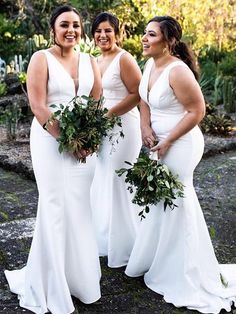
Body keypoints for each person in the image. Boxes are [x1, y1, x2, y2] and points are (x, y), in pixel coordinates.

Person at [125, 16, 236, 313]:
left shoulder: (178, 71)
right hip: (156, 140)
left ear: (169, 41)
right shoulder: (150, 64)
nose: (144, 39)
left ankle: (185, 270)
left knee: (177, 198)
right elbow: (143, 100)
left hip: (181, 143)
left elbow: (197, 110)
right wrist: (144, 128)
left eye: (151, 34)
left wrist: (169, 139)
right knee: (161, 201)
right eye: (144, 34)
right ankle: (159, 259)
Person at [4, 5, 102, 314]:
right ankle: (52, 284)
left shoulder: (90, 61)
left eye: (75, 24)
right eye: (64, 24)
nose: (70, 29)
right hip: (50, 140)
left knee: (80, 206)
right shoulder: (40, 59)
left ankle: (80, 281)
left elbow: (97, 101)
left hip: (84, 143)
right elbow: (37, 104)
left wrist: (89, 137)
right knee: (55, 204)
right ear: (53, 29)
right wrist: (68, 139)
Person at [90, 12, 142, 268]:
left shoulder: (125, 58)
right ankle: (106, 239)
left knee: (118, 179)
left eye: (108, 30)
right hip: (101, 129)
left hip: (124, 128)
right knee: (102, 178)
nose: (103, 35)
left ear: (117, 33)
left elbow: (137, 93)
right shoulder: (96, 61)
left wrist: (109, 114)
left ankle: (127, 244)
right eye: (98, 31)